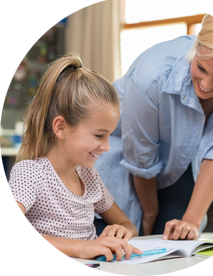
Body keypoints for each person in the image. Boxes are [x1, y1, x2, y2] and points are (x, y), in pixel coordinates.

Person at [94, 8, 213, 240]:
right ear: (197, 48)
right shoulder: (152, 75)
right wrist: (149, 216)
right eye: (201, 68)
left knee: (178, 242)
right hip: (124, 154)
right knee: (125, 241)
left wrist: (192, 222)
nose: (205, 84)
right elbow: (142, 159)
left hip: (179, 161)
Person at [0, 54, 142, 261]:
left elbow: (128, 225)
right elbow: (2, 235)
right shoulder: (31, 173)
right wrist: (79, 248)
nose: (107, 146)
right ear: (61, 127)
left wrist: (121, 231)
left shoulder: (90, 177)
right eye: (98, 135)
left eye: (109, 135)